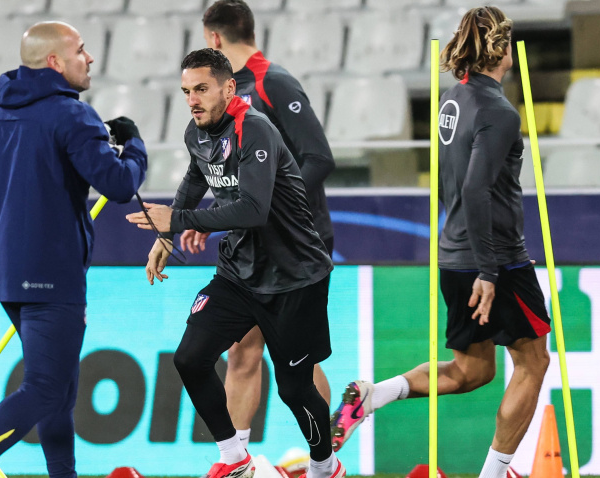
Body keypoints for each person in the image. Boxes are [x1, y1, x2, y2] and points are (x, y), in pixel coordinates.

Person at [329, 7, 551, 478]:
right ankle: (497, 473)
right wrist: (490, 272)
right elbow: (475, 188)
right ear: (500, 49)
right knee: (533, 361)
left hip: (453, 253)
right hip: (496, 259)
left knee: (474, 371)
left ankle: (377, 394)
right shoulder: (499, 111)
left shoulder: (453, 98)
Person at [0, 21, 147, 478]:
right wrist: (134, 143)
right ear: (55, 62)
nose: (90, 59)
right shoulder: (73, 116)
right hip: (55, 275)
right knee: (46, 387)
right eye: (81, 51)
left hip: (7, 276)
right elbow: (120, 184)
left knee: (60, 389)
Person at [126, 48, 343, 478]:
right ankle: (233, 459)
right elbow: (194, 177)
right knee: (189, 358)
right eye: (187, 91)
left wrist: (180, 220)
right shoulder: (197, 131)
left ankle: (325, 466)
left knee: (295, 389)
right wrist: (168, 237)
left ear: (228, 88)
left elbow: (253, 210)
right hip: (240, 273)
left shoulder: (255, 129)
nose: (192, 99)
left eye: (202, 89)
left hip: (294, 277)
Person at [178, 0, 337, 450]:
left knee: (294, 371)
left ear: (213, 37)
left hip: (297, 243)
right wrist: (219, 218)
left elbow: (319, 158)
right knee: (242, 351)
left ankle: (322, 456)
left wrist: (273, 216)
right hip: (250, 238)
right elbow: (220, 170)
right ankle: (238, 457)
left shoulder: (273, 82)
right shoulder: (218, 100)